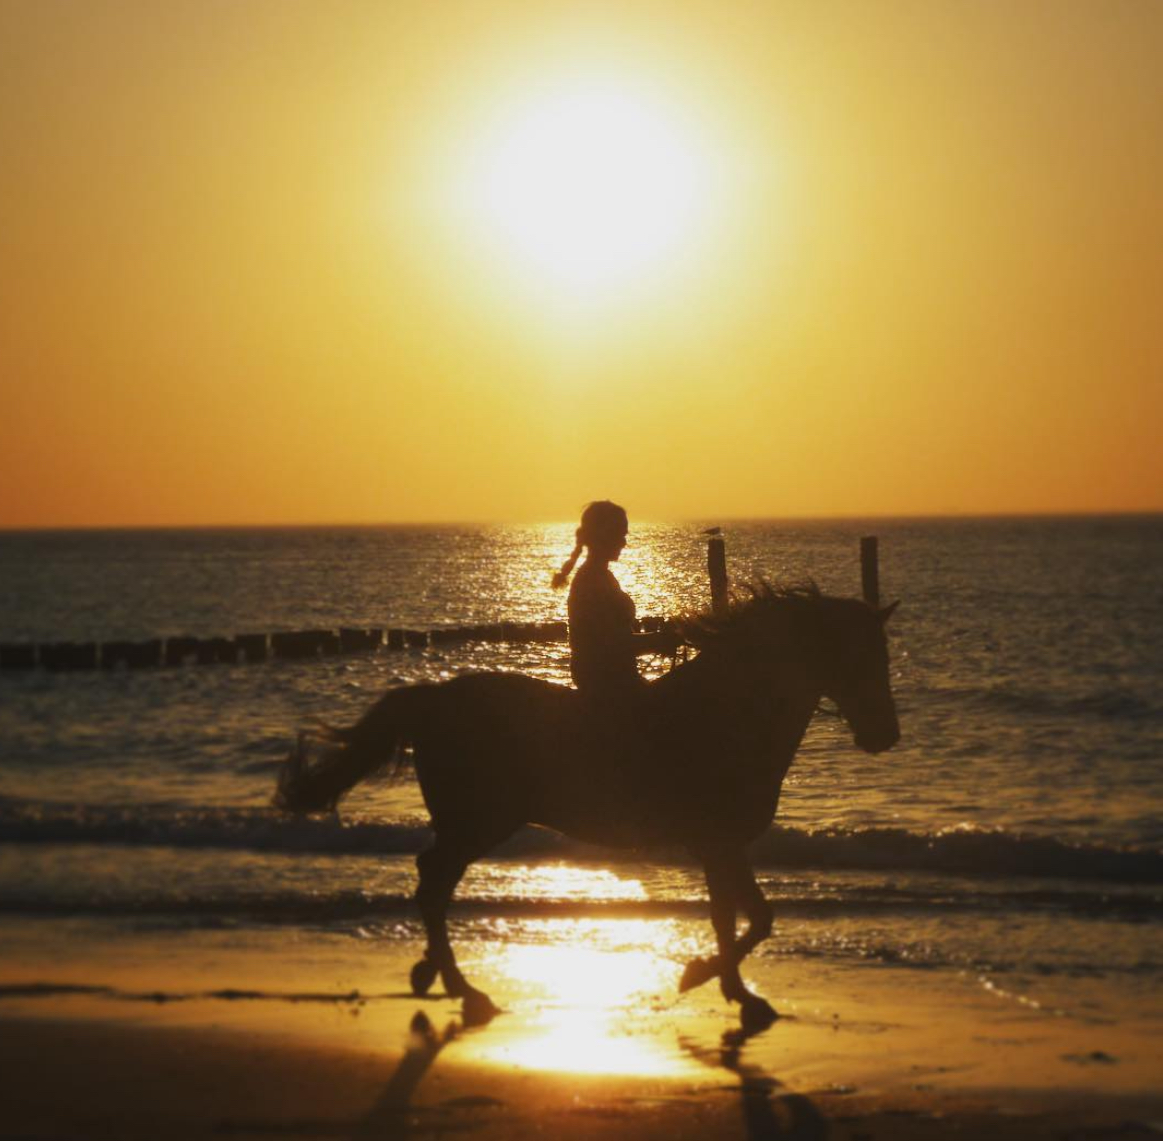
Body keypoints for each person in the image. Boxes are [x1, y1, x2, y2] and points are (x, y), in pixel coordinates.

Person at [552, 501, 678, 700]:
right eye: (620, 535)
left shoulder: (600, 576)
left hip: (613, 679)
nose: (624, 543)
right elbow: (614, 643)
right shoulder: (592, 580)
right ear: (604, 536)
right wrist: (660, 640)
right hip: (607, 685)